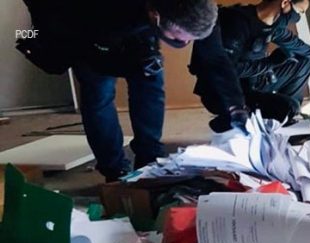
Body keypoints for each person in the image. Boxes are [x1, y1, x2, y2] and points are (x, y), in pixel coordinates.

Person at [17, 0, 219, 182]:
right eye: (178, 38)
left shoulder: (165, 11)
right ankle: (114, 170)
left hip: (134, 25)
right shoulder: (102, 17)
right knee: (99, 95)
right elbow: (86, 39)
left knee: (150, 84)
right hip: (85, 33)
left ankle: (150, 159)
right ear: (156, 16)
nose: (183, 43)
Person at [190, 0, 310, 134]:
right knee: (286, 107)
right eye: (299, 11)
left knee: (302, 63)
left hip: (253, 84)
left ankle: (288, 118)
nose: (298, 17)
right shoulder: (236, 23)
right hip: (224, 94)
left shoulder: (273, 28)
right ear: (285, 3)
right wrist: (269, 64)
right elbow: (224, 71)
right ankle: (227, 121)